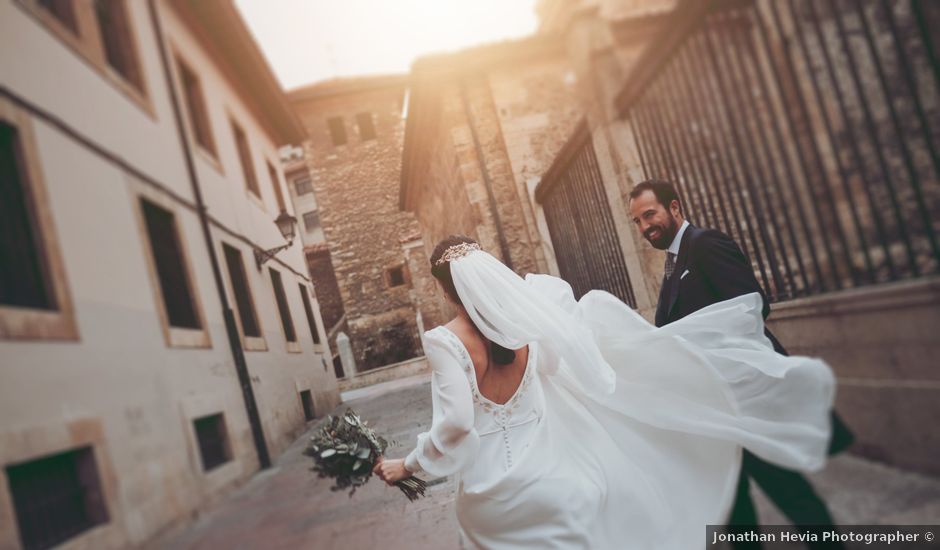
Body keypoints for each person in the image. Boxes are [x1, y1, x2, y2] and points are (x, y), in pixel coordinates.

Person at [375, 234, 835, 549]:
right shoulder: (529, 329)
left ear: (444, 289)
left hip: (496, 497)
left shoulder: (444, 341)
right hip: (561, 478)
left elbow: (456, 424)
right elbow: (559, 365)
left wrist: (408, 465)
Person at [627, 179, 853, 550]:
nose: (644, 227)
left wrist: (705, 343)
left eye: (649, 214)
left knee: (788, 491)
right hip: (714, 410)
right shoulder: (671, 268)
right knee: (733, 508)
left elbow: (751, 304)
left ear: (675, 208)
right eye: (636, 221)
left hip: (747, 399)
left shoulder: (705, 245)